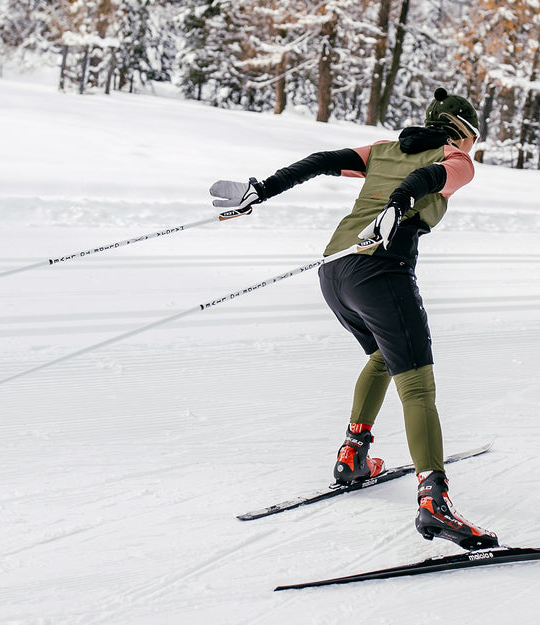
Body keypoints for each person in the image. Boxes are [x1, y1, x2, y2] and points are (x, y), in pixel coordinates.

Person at [209, 88, 497, 550]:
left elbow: (323, 160)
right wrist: (399, 205)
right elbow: (428, 179)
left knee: (385, 356)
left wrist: (262, 188)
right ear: (463, 132)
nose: (472, 150)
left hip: (334, 271)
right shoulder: (458, 160)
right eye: (473, 139)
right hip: (381, 271)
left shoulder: (384, 149)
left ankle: (353, 455)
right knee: (417, 383)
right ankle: (434, 504)